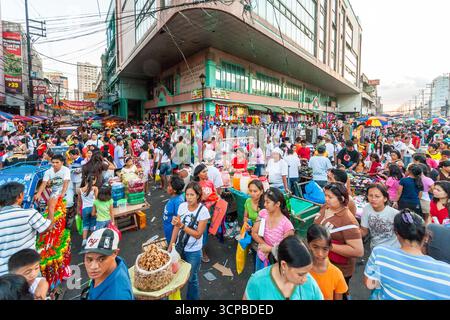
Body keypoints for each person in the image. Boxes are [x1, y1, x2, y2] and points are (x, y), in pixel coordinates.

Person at [364, 210, 450, 300]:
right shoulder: (446, 273)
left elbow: (370, 285)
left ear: (397, 233)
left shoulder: (380, 253)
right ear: (426, 236)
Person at [314, 183, 364, 293]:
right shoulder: (326, 206)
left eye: (330, 197)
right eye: (325, 195)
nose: (326, 199)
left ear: (341, 198)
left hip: (339, 269)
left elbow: (358, 251)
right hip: (321, 264)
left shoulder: (348, 220)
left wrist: (327, 245)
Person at [244, 235, 323, 300]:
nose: (305, 279)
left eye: (307, 272)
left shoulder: (310, 283)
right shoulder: (258, 282)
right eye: (300, 274)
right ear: (284, 265)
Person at [168, 182, 211, 300]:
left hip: (194, 251)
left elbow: (198, 235)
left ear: (198, 195)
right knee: (174, 274)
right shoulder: (182, 206)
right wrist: (171, 245)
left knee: (192, 278)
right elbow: (176, 226)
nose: (189, 197)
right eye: (187, 194)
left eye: (192, 195)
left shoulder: (203, 211)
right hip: (179, 247)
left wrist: (182, 226)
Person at [0, 182, 53, 276]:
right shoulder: (29, 214)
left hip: (4, 275)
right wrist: (51, 207)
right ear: (20, 196)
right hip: (28, 270)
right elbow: (48, 227)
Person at [81, 228, 133, 300]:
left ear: (115, 253)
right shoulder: (118, 261)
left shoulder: (117, 296)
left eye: (101, 259)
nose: (93, 267)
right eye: (89, 259)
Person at [251, 188, 295, 271]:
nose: (264, 204)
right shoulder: (263, 213)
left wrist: (270, 249)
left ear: (277, 204)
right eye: (264, 201)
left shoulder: (287, 226)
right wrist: (265, 246)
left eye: (268, 202)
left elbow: (286, 250)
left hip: (276, 263)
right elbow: (254, 233)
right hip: (262, 256)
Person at [307, 224, 348, 300]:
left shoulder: (336, 274)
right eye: (315, 247)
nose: (320, 253)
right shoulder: (301, 269)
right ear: (308, 244)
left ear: (330, 248)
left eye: (325, 249)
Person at [360, 184, 400, 249]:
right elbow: (364, 231)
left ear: (385, 198)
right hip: (375, 248)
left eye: (377, 196)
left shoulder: (395, 214)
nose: (373, 199)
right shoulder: (367, 209)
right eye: (370, 195)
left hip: (392, 249)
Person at [34, 154, 71, 220]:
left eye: (57, 162)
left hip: (67, 189)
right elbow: (44, 183)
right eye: (53, 162)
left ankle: (67, 218)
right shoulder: (48, 171)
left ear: (62, 163)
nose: (54, 164)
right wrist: (38, 193)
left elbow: (66, 183)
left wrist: (62, 194)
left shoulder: (66, 170)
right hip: (55, 191)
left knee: (68, 202)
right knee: (50, 204)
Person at [162, 176, 185, 242]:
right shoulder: (173, 197)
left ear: (174, 190)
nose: (167, 187)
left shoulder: (178, 202)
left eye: (169, 186)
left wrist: (173, 239)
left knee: (172, 248)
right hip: (168, 229)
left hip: (172, 234)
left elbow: (178, 222)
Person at [77, 176, 98, 247]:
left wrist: (78, 211)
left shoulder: (79, 190)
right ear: (94, 181)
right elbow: (97, 200)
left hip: (84, 209)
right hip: (93, 208)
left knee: (85, 225)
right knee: (93, 224)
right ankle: (93, 240)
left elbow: (79, 201)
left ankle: (84, 240)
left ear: (86, 181)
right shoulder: (95, 188)